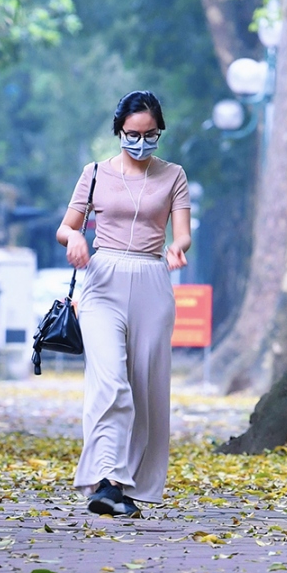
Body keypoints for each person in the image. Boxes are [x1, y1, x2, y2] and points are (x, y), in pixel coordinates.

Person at [56, 91, 191, 518]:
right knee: (110, 381)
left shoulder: (173, 176)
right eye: (133, 134)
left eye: (150, 134)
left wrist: (177, 249)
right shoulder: (94, 173)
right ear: (119, 131)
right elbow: (67, 226)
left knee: (146, 390)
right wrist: (76, 238)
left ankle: (121, 486)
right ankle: (103, 476)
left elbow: (182, 231)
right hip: (103, 281)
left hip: (152, 278)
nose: (141, 141)